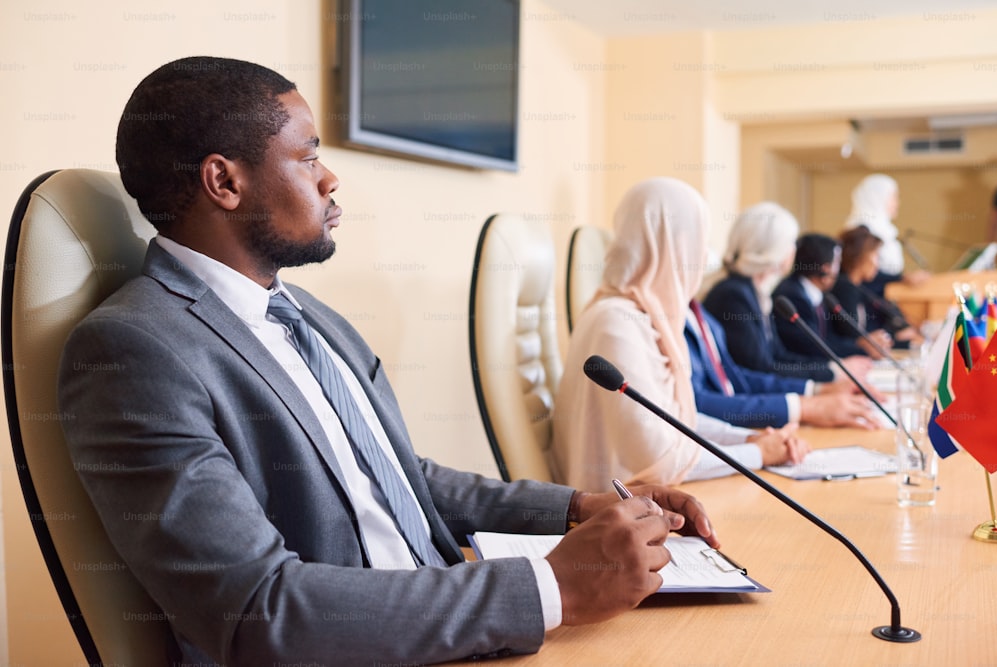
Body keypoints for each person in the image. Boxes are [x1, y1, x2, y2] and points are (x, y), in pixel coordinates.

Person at [56, 57, 720, 666]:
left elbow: (401, 476)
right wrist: (552, 583)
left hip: (448, 621)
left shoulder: (308, 315)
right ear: (224, 181)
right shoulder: (132, 351)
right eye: (309, 155)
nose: (330, 177)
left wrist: (580, 506)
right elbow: (261, 610)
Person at [549, 178, 809, 494]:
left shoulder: (646, 315)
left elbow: (674, 420)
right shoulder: (616, 323)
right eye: (698, 242)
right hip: (611, 518)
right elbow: (658, 461)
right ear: (673, 246)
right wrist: (758, 454)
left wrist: (748, 438)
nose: (703, 257)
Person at [702, 202, 873, 383]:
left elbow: (779, 356)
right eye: (791, 242)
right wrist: (831, 374)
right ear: (772, 248)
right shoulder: (733, 295)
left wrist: (833, 368)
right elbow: (761, 368)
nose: (794, 250)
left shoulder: (753, 291)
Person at [686, 300, 879, 429]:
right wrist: (805, 407)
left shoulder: (696, 309)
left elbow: (733, 376)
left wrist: (816, 390)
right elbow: (693, 406)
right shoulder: (732, 296)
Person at [772, 233, 891, 360]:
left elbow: (828, 339)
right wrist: (862, 348)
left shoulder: (817, 294)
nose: (838, 271)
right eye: (837, 263)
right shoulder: (792, 296)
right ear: (825, 269)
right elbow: (814, 347)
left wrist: (862, 345)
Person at [833, 226, 922, 348]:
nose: (878, 264)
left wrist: (901, 338)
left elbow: (869, 335)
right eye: (876, 256)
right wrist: (902, 341)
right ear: (861, 257)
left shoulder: (858, 287)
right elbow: (857, 340)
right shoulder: (845, 288)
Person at [843, 173, 929, 297]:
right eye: (893, 197)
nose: (897, 203)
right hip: (867, 297)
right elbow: (863, 271)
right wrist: (902, 278)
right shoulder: (862, 229)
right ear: (877, 197)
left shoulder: (886, 229)